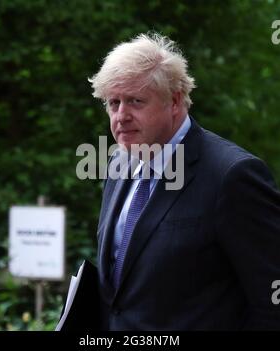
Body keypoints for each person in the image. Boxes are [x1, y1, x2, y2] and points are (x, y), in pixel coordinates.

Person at [89, 33, 280, 330]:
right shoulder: (118, 163)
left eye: (135, 101)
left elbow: (271, 302)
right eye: (114, 103)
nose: (121, 116)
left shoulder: (233, 175)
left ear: (175, 101)